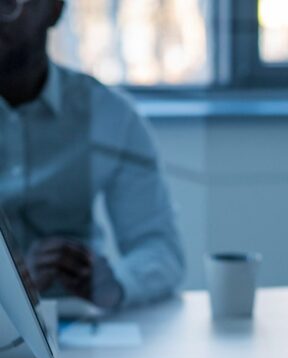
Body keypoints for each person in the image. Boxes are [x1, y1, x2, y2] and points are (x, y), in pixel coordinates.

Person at [0, 0, 184, 309]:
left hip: (83, 327)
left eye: (8, 2)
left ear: (54, 9)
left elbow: (161, 251)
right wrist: (10, 285)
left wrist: (114, 282)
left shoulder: (109, 115)